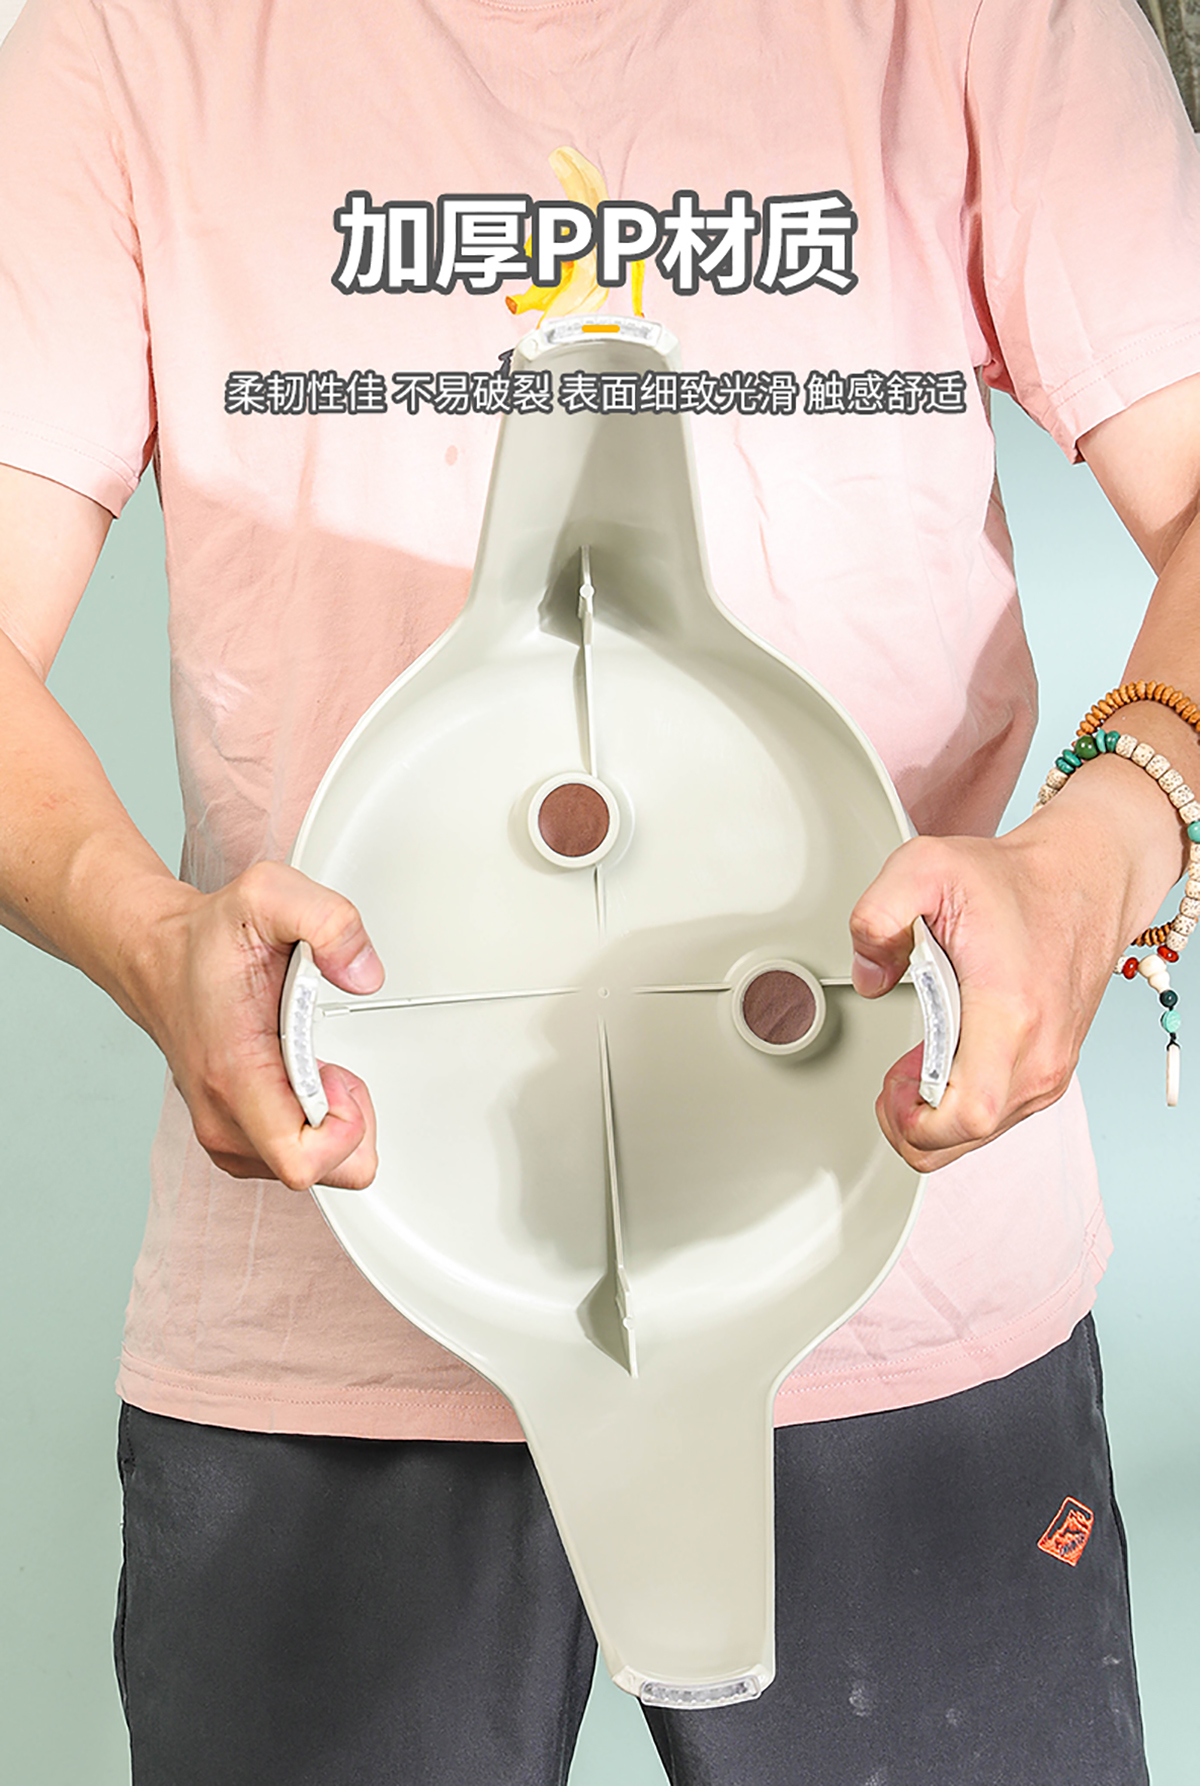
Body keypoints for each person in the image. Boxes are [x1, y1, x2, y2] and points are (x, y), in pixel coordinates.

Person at [1, 0, 1198, 1780]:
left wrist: (1107, 847)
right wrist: (146, 931)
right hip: (332, 1293)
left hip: (907, 1285)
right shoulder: (120, 36)